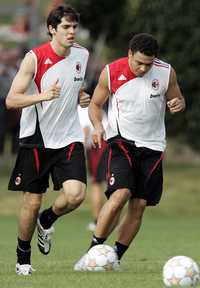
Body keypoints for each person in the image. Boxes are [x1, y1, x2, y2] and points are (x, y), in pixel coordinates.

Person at [74, 33, 186, 271]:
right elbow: (95, 104)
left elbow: (177, 99)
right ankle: (92, 253)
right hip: (121, 141)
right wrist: (97, 126)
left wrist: (178, 104)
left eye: (148, 63)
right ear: (129, 54)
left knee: (139, 205)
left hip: (154, 147)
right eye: (139, 63)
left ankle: (114, 257)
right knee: (120, 194)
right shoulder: (111, 72)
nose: (144, 68)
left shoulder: (166, 72)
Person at [6, 5, 90, 276]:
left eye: (74, 27)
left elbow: (73, 86)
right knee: (32, 201)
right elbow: (11, 99)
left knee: (76, 195)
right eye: (66, 27)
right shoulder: (35, 58)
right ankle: (23, 258)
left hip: (69, 136)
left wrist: (81, 96)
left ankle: (48, 219)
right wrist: (41, 96)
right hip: (37, 139)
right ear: (52, 29)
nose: (72, 32)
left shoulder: (82, 54)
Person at [78, 106, 107, 232]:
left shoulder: (82, 109)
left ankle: (98, 221)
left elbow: (85, 130)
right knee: (113, 185)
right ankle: (111, 220)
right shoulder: (97, 105)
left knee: (96, 184)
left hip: (98, 146)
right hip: (111, 143)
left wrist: (79, 155)